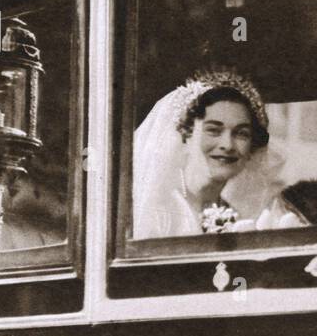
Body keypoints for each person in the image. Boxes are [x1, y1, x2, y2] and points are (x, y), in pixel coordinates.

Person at [131, 70, 306, 240]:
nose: (227, 145)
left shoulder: (242, 216)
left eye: (241, 133)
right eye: (213, 130)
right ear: (186, 136)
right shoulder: (156, 211)